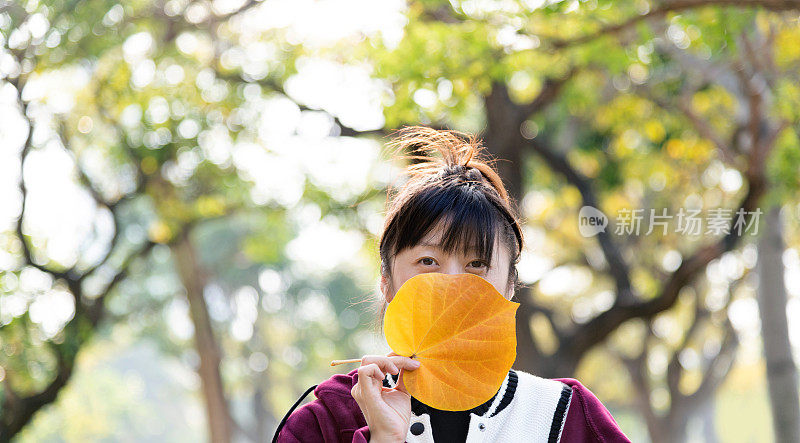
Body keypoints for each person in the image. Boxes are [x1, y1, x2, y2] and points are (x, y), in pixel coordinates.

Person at [274, 126, 631, 442]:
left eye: (477, 264)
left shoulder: (566, 418)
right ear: (386, 283)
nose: (452, 285)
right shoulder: (326, 423)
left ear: (510, 285)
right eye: (428, 261)